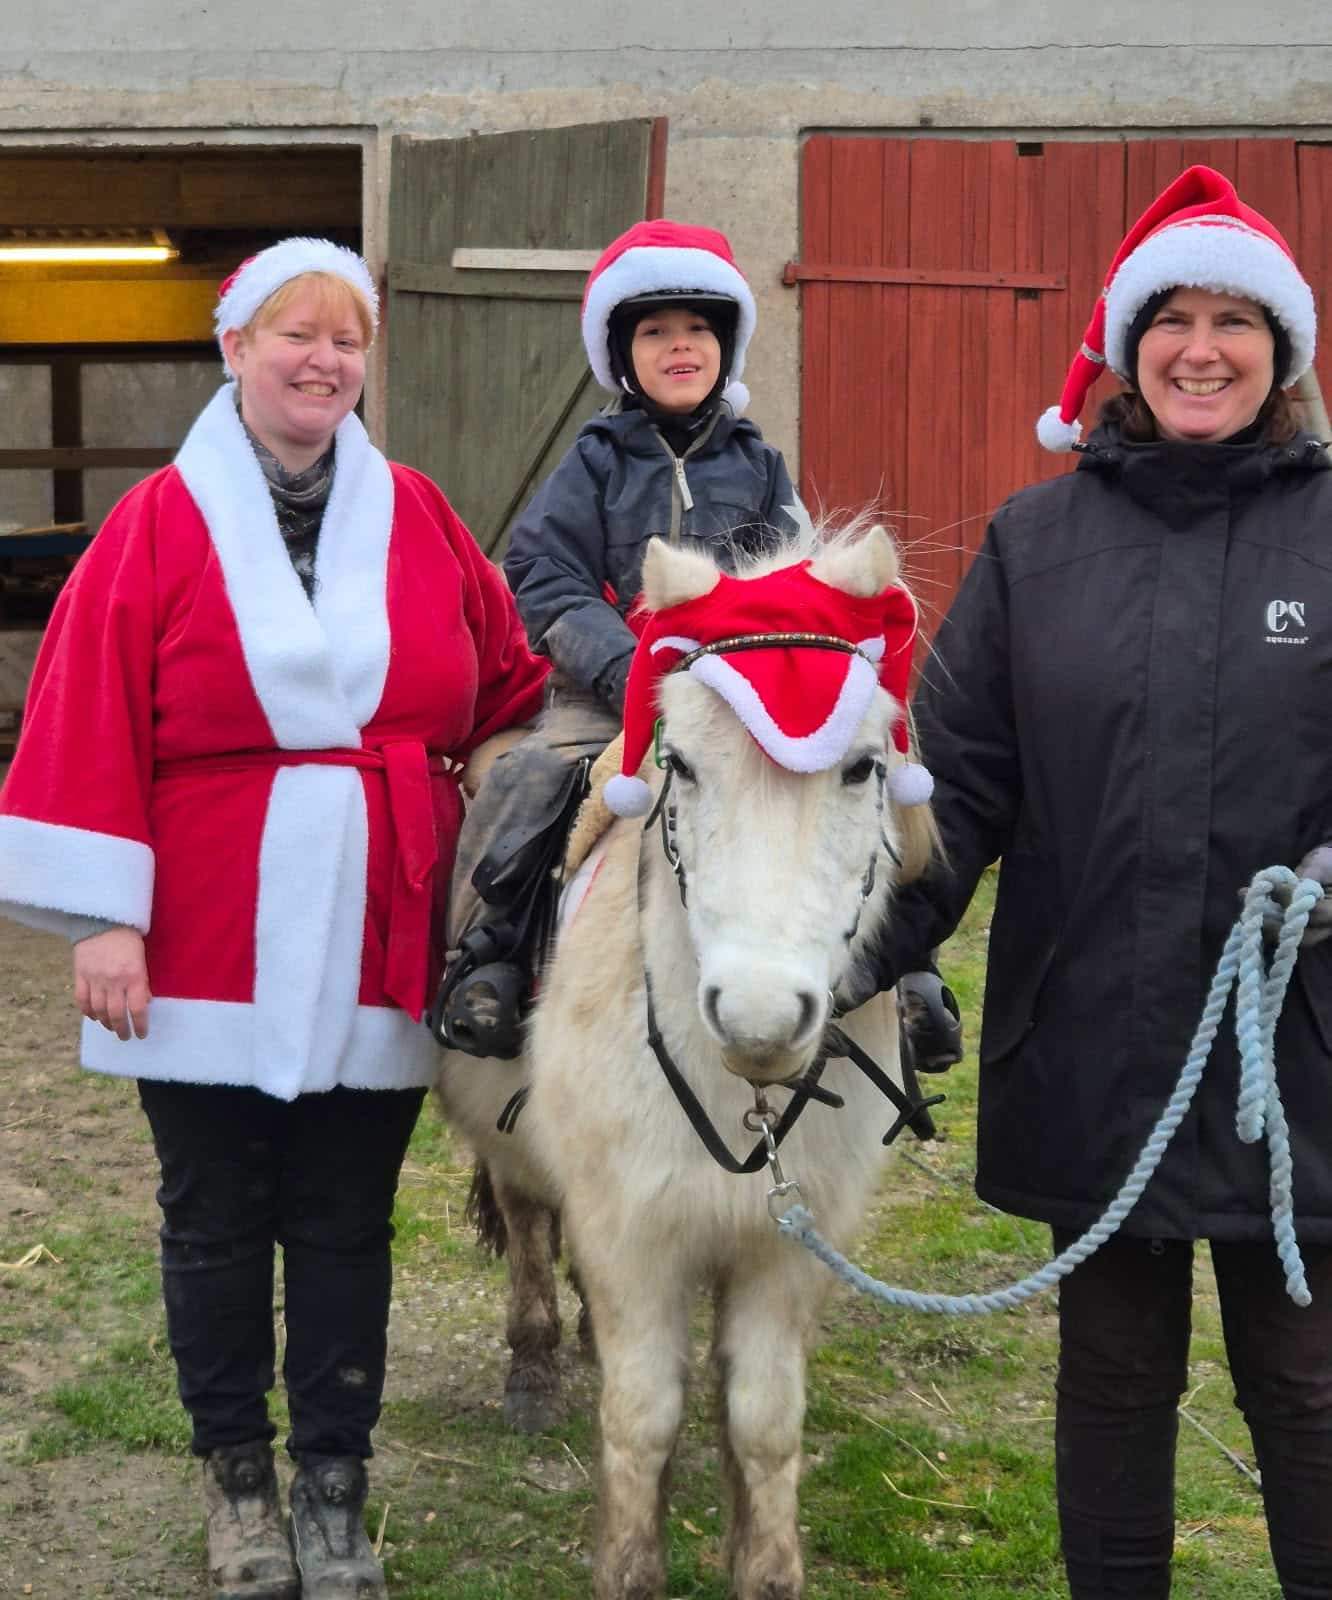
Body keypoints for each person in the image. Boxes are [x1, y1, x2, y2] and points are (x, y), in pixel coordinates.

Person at [0, 238, 548, 1599]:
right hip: (202, 925)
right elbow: (85, 708)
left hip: (378, 919)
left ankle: (333, 1487)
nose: (324, 361)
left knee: (348, 1217)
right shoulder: (156, 523)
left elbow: (508, 688)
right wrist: (102, 917)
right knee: (215, 1214)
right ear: (234, 346)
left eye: (347, 340)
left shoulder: (416, 514)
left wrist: (497, 822)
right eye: (295, 334)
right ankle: (237, 1478)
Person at [871, 165, 1332, 1598]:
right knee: (1116, 1378)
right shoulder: (1038, 543)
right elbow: (957, 788)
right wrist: (849, 963)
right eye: (1171, 320)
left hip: (1301, 1048)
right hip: (1096, 1036)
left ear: (1282, 350)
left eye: (1233, 321)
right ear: (1129, 350)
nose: (1201, 349)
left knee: (1309, 1383)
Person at [440, 219, 805, 1054]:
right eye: (654, 331)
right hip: (608, 698)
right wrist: (628, 668)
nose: (680, 346)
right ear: (620, 353)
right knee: (529, 776)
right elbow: (543, 571)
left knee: (852, 782)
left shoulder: (760, 467)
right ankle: (487, 957)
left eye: (698, 328)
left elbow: (791, 578)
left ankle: (897, 971)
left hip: (735, 700)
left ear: (727, 345)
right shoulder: (595, 460)